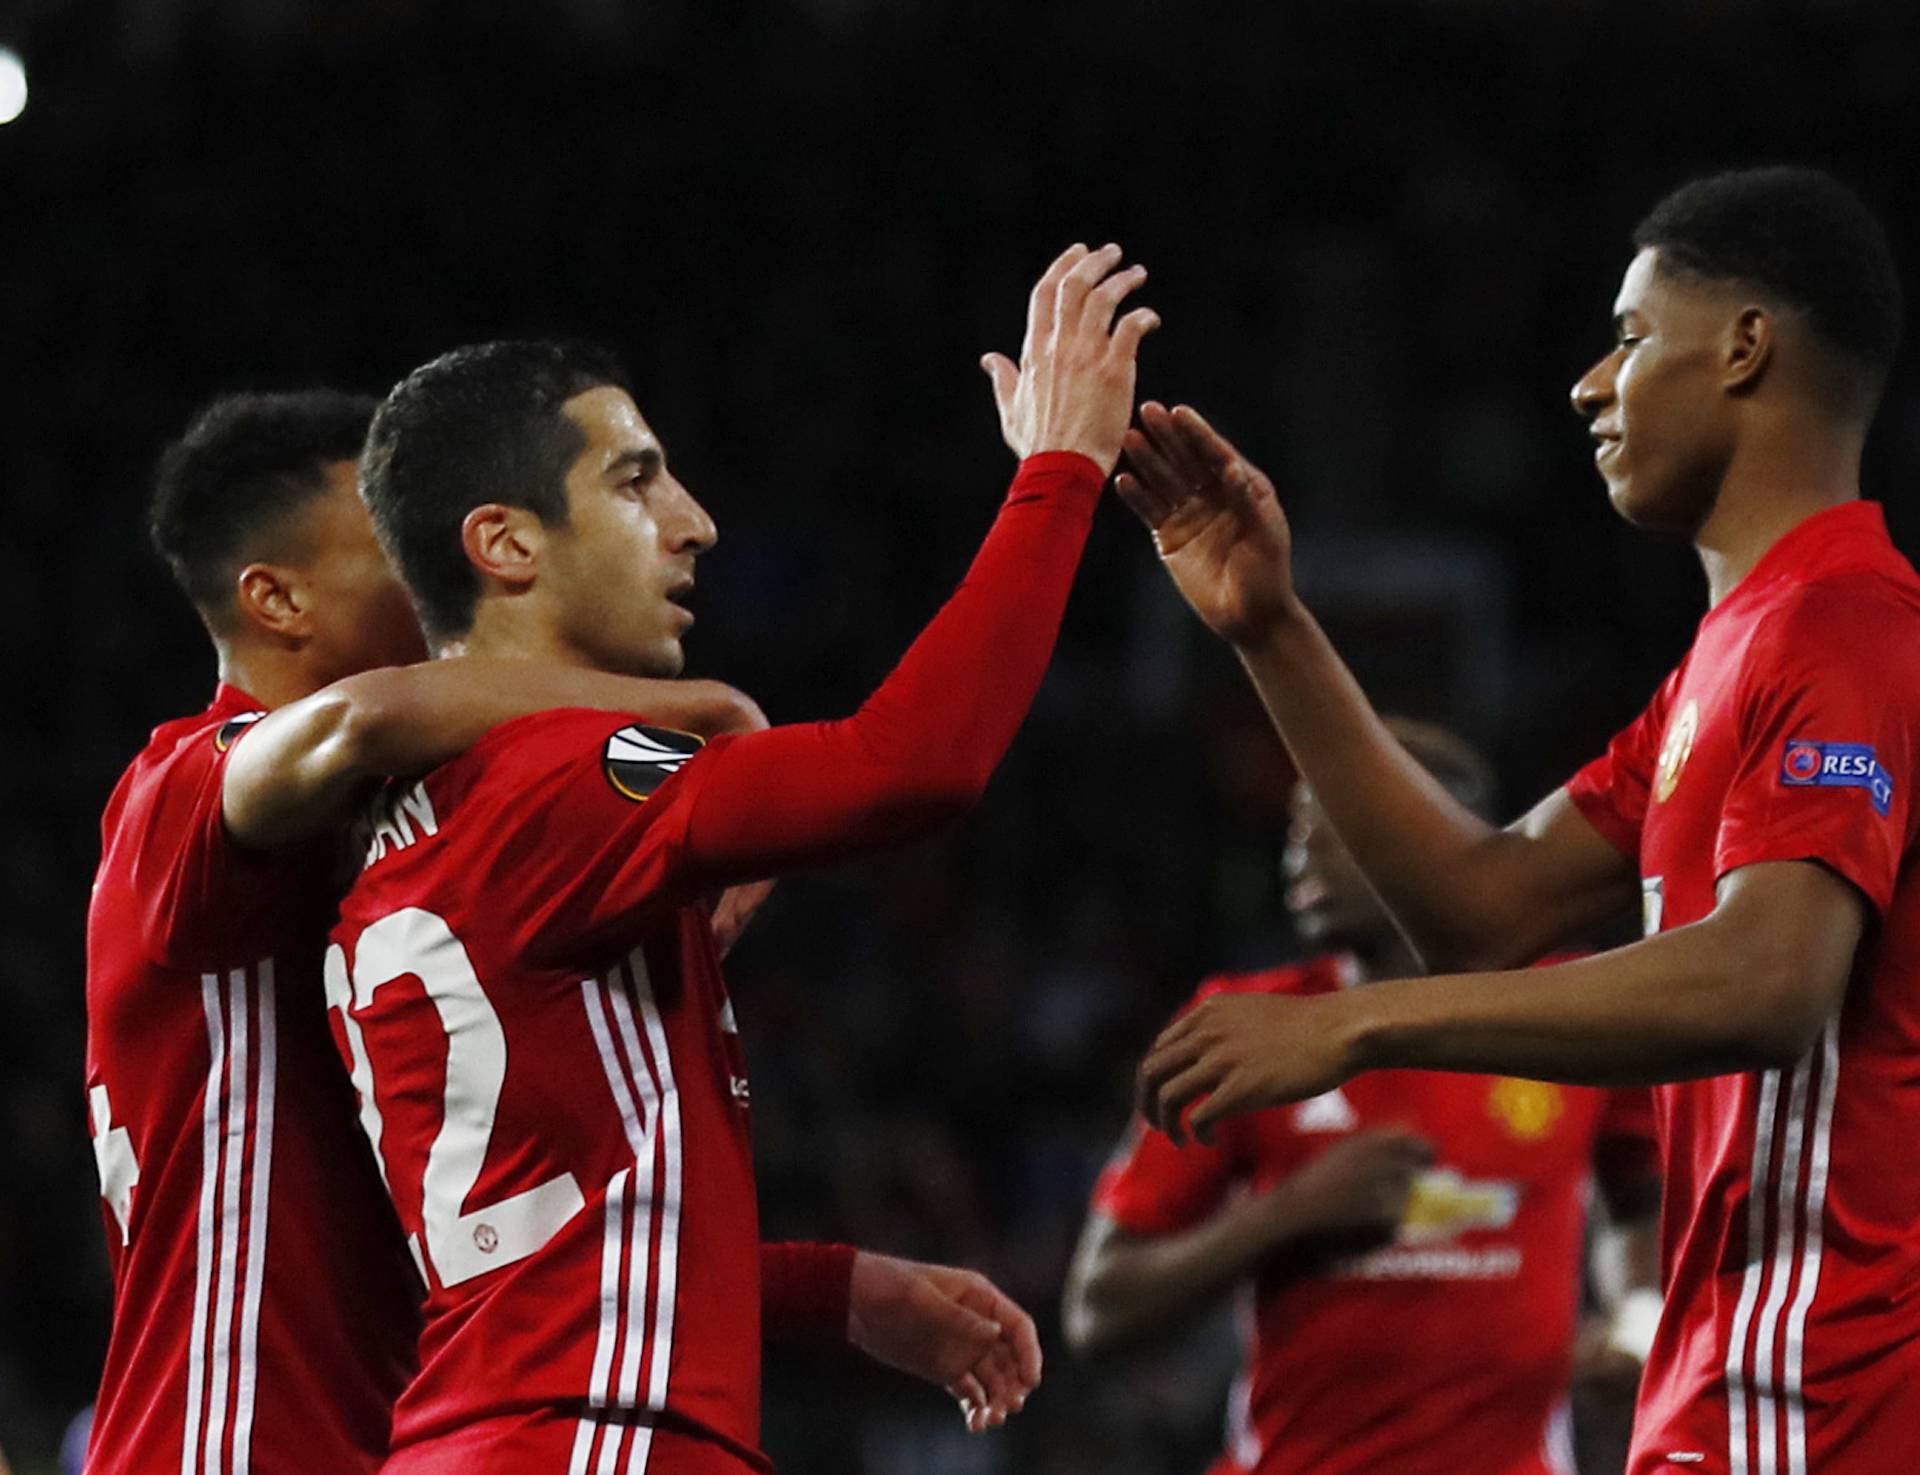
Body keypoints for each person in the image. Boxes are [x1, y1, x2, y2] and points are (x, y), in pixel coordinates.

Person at [1123, 167, 1915, 1474]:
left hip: (1816, 1396)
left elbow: (1772, 979)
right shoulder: (1723, 664)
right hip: (1733, 1388)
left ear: (1745, 346)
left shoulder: (1846, 628)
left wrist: (1357, 1019)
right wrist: (1270, 624)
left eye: (1631, 335)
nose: (1590, 383)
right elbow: (1482, 910)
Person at [318, 241, 1156, 1473]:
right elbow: (908, 767)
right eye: (635, 482)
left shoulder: (412, 826)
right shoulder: (561, 776)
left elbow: (537, 1253)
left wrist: (831, 1288)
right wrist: (1061, 469)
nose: (695, 523)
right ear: (503, 543)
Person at [86, 391, 769, 1475]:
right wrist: (711, 715)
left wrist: (846, 1288)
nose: (435, 555)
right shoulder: (177, 793)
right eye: (391, 539)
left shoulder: (434, 820)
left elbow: (522, 1236)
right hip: (231, 1443)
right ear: (277, 598)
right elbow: (361, 720)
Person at [1065, 720, 1660, 1475]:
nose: (1301, 849)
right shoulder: (1243, 1029)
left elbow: (1640, 1201)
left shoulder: (1565, 1009)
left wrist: (1634, 1318)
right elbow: (1099, 1310)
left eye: (1338, 819)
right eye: (1297, 826)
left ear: (1436, 840)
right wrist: (1289, 1211)